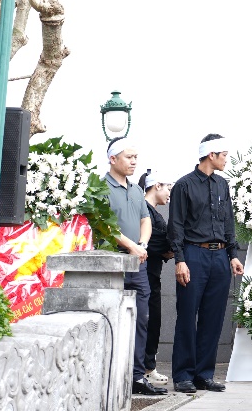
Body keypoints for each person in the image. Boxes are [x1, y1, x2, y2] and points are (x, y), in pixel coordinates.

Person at [168, 134, 244, 393]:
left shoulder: (223, 185)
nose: (226, 159)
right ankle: (183, 375)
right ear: (211, 155)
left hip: (220, 257)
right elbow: (175, 226)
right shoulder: (184, 185)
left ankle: (204, 374)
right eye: (224, 154)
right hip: (194, 255)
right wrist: (180, 260)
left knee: (213, 317)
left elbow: (228, 222)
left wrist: (233, 254)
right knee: (188, 315)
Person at [104, 138, 166, 396]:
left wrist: (141, 244)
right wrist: (131, 246)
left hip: (137, 261)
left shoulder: (136, 190)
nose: (133, 162)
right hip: (112, 261)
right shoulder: (100, 187)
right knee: (109, 318)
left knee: (142, 318)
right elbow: (104, 224)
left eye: (135, 157)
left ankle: (137, 377)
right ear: (113, 159)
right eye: (128, 157)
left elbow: (145, 220)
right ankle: (109, 373)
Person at [141, 174, 175, 385]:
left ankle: (148, 366)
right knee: (148, 320)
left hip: (153, 274)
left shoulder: (155, 213)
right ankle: (145, 367)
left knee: (154, 320)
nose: (169, 193)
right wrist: (167, 249)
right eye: (167, 188)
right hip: (144, 274)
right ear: (156, 185)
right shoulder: (144, 211)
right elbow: (150, 243)